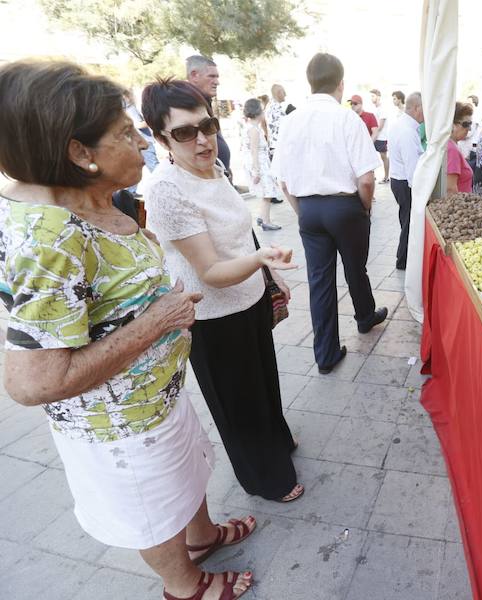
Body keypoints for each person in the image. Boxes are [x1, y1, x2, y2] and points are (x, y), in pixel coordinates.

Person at [0, 60, 256, 600]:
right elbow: (34, 384)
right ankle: (186, 586)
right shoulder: (47, 239)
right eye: (126, 133)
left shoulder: (86, 200)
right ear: (79, 153)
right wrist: (156, 322)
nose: (143, 143)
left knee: (187, 475)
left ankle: (203, 538)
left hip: (157, 399)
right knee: (155, 508)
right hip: (123, 426)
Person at [142, 79, 303, 506]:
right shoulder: (166, 190)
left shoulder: (214, 168)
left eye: (207, 126)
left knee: (263, 382)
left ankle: (277, 442)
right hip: (213, 316)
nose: (202, 139)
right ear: (161, 139)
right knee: (238, 403)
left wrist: (267, 275)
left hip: (248, 298)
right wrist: (263, 260)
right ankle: (265, 477)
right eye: (184, 132)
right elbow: (210, 270)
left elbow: (241, 232)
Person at [272, 53, 388, 372]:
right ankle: (364, 316)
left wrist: (301, 212)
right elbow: (366, 178)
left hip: (308, 208)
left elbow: (283, 181)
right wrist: (364, 208)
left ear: (310, 82)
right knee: (355, 268)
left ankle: (325, 354)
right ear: (340, 84)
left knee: (319, 281)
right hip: (345, 206)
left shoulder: (291, 120)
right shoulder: (346, 117)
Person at [387, 92, 425, 271]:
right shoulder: (407, 131)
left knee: (407, 221)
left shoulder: (403, 125)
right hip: (405, 182)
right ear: (417, 108)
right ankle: (403, 261)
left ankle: (403, 258)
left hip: (399, 180)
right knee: (409, 222)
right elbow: (412, 168)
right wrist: (419, 192)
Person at [186, 55, 231, 179]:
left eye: (217, 77)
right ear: (194, 75)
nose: (217, 82)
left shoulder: (204, 102)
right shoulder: (186, 106)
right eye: (211, 76)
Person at [240, 98, 282, 231]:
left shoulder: (250, 127)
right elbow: (254, 151)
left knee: (266, 192)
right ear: (257, 112)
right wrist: (256, 171)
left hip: (259, 162)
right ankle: (266, 220)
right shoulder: (254, 130)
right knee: (267, 192)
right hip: (260, 164)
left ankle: (262, 217)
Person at [446, 101, 474, 194]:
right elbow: (450, 188)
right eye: (466, 124)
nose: (469, 129)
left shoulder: (451, 145)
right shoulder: (452, 149)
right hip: (458, 206)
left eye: (471, 124)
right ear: (452, 125)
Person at [265, 84, 291, 161]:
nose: (285, 94)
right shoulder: (276, 109)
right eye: (284, 92)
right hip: (279, 148)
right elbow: (285, 128)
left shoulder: (270, 106)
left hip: (274, 147)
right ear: (279, 93)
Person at [369, 89, 391, 182]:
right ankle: (372, 176)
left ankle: (386, 177)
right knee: (370, 156)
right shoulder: (374, 109)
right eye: (371, 96)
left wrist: (374, 134)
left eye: (373, 96)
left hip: (381, 137)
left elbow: (380, 126)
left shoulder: (383, 109)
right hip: (374, 136)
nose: (371, 98)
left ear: (378, 97)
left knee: (383, 157)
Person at [460, 94, 482, 169]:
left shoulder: (473, 116)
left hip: (470, 149)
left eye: (468, 102)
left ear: (474, 104)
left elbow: (468, 133)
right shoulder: (477, 115)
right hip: (472, 148)